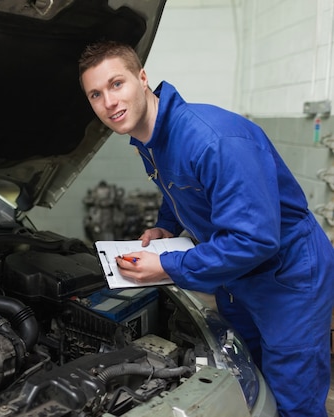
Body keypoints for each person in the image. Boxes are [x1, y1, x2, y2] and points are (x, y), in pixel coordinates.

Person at [78, 40, 334, 417]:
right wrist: (167, 227)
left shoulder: (212, 140)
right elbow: (178, 189)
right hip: (237, 276)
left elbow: (255, 238)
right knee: (250, 380)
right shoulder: (153, 139)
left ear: (142, 78)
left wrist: (168, 267)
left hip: (289, 277)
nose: (109, 102)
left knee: (295, 398)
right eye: (96, 94)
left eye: (117, 84)